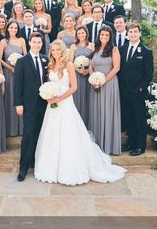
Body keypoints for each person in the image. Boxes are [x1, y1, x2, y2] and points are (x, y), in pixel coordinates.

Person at [34, 39, 126, 185]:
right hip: (52, 106)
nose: (56, 52)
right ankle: (50, 168)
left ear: (63, 51)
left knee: (68, 134)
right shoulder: (50, 66)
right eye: (53, 50)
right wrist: (49, 95)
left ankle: (70, 169)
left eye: (58, 50)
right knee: (52, 133)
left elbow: (74, 87)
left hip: (65, 103)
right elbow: (49, 84)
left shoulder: (69, 65)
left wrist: (59, 98)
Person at [14, 32, 49, 182]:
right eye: (34, 42)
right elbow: (17, 85)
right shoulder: (22, 61)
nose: (36, 44)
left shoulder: (45, 59)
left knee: (39, 134)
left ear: (42, 44)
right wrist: (18, 104)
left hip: (44, 104)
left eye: (39, 42)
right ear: (29, 43)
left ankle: (35, 162)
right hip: (28, 105)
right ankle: (23, 167)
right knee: (28, 134)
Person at [119, 23, 154, 156]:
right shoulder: (122, 49)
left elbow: (149, 74)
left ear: (139, 33)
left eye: (135, 32)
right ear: (127, 34)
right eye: (130, 32)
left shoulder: (146, 51)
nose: (132, 34)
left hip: (137, 91)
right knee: (129, 118)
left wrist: (140, 87)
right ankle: (131, 143)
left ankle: (140, 146)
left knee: (139, 119)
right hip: (124, 90)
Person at [89, 25, 122, 155]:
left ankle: (109, 145)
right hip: (95, 85)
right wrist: (93, 79)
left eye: (107, 35)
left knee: (108, 111)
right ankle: (97, 144)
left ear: (110, 37)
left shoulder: (114, 50)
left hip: (109, 84)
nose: (104, 37)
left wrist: (103, 80)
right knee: (96, 111)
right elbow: (91, 66)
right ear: (99, 36)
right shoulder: (95, 49)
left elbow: (116, 68)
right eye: (102, 35)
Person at [0, 20, 27, 137]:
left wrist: (21, 67)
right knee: (10, 98)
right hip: (9, 73)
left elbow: (26, 56)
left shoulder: (21, 40)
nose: (13, 30)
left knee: (19, 97)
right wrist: (10, 68)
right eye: (11, 28)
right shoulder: (3, 42)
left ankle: (20, 129)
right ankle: (10, 129)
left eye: (15, 28)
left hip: (20, 73)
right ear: (7, 29)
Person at [69, 26, 94, 128]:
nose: (81, 35)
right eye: (79, 33)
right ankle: (77, 125)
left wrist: (88, 70)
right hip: (77, 75)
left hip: (89, 75)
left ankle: (88, 123)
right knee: (77, 98)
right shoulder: (73, 46)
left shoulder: (92, 45)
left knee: (88, 98)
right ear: (76, 35)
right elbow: (70, 62)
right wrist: (79, 69)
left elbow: (94, 60)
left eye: (82, 33)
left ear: (86, 34)